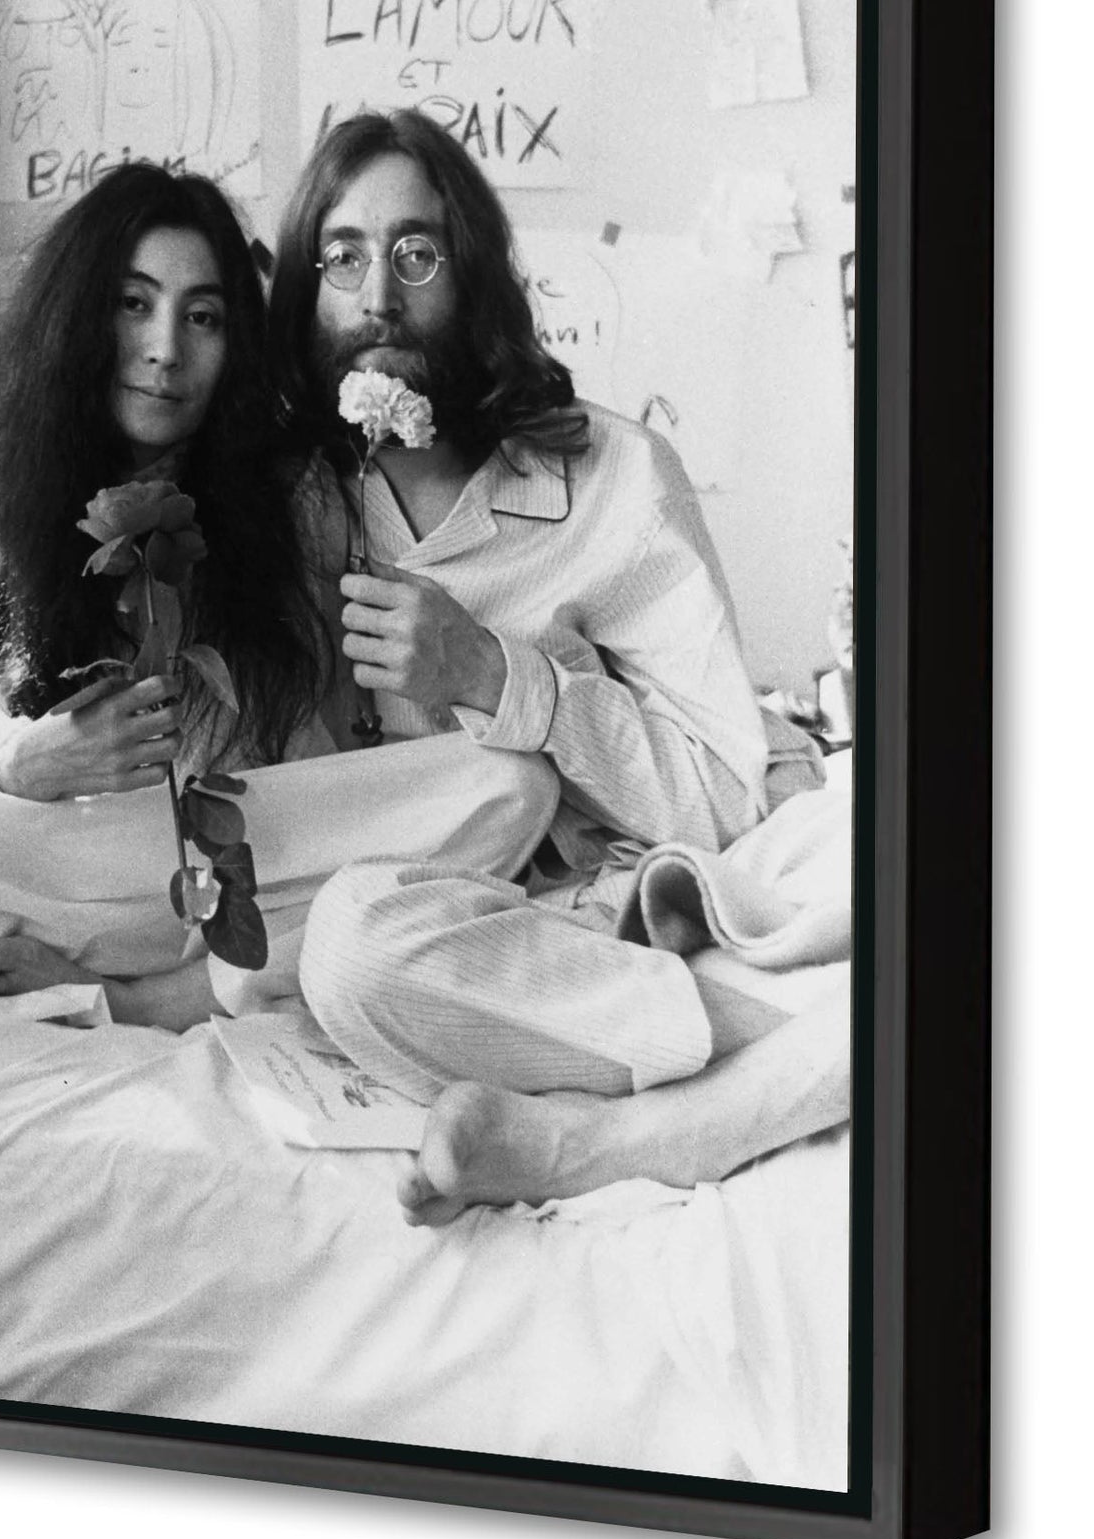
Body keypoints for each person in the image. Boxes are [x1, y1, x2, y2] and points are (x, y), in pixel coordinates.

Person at [260, 108, 842, 1217]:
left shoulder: (617, 476)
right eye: (341, 257)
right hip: (463, 947)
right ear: (305, 289)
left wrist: (495, 675)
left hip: (642, 906)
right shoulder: (279, 510)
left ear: (472, 274)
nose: (378, 296)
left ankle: (666, 1107)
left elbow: (723, 797)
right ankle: (783, 1060)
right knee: (348, 949)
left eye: (416, 254)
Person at [0, 161, 556, 1027]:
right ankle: (182, 963)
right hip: (84, 857)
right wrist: (27, 763)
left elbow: (311, 750)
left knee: (513, 783)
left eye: (203, 317)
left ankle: (143, 996)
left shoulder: (290, 493)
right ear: (76, 314)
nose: (165, 350)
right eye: (133, 303)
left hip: (256, 844)